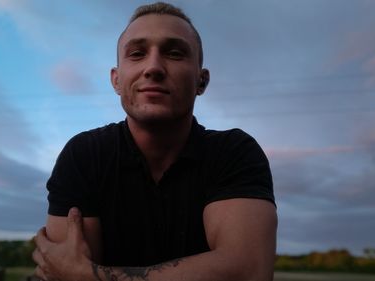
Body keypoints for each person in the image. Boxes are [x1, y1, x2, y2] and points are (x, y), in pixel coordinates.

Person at [32, 2, 277, 281]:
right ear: (116, 80)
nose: (153, 67)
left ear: (202, 80)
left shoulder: (234, 152)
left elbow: (247, 272)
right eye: (137, 54)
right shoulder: (84, 155)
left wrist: (89, 277)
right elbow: (62, 273)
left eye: (174, 53)